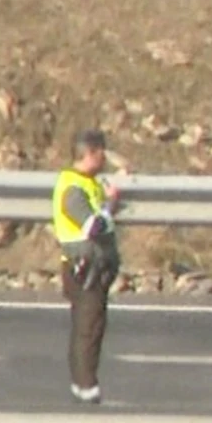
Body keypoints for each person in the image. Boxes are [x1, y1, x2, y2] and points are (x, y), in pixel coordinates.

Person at [50, 129, 123, 405]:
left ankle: (84, 381)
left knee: (92, 325)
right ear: (89, 153)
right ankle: (85, 385)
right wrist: (112, 206)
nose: (104, 159)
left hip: (92, 267)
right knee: (87, 328)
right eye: (101, 153)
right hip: (83, 268)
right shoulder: (72, 187)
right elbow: (93, 226)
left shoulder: (87, 183)